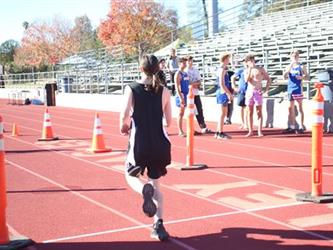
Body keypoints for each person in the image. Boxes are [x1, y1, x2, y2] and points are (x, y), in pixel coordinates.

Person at [120, 54, 171, 241]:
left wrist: (123, 126)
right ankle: (159, 226)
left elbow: (124, 114)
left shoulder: (132, 88)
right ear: (158, 69)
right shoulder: (165, 91)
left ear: (140, 68)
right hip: (159, 143)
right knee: (157, 185)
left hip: (139, 142)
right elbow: (170, 121)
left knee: (129, 175)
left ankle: (143, 190)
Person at [244, 54, 271, 137]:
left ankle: (259, 131)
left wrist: (265, 89)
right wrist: (250, 70)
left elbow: (268, 79)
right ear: (247, 62)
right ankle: (250, 131)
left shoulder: (260, 69)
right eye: (250, 61)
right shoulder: (246, 70)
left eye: (253, 60)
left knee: (259, 112)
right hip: (249, 92)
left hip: (257, 92)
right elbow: (246, 80)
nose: (252, 62)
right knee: (249, 112)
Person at [283, 49, 308, 134]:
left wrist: (302, 77)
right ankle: (292, 127)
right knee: (291, 108)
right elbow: (284, 76)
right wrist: (290, 65)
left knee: (300, 107)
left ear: (298, 57)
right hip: (290, 89)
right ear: (291, 57)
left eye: (296, 56)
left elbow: (307, 76)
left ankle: (301, 126)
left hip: (298, 89)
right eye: (293, 56)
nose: (295, 57)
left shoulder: (301, 66)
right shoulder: (288, 66)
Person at [186, 56, 212, 134]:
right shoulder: (185, 71)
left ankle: (203, 126)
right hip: (189, 94)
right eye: (188, 61)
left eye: (191, 61)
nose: (190, 62)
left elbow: (199, 82)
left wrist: (194, 84)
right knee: (191, 111)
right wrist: (194, 84)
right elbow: (188, 83)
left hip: (196, 93)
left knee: (199, 110)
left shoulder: (195, 70)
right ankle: (191, 128)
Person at [215, 53, 233, 139]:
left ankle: (218, 131)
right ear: (225, 59)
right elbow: (222, 84)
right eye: (228, 59)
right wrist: (228, 93)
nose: (229, 61)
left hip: (222, 92)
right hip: (222, 92)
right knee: (223, 113)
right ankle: (220, 132)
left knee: (223, 113)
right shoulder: (221, 70)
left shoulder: (222, 69)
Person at [231, 59, 248, 129]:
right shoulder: (241, 70)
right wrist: (234, 86)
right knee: (242, 107)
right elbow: (233, 77)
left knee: (247, 108)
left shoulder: (252, 70)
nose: (245, 63)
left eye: (246, 61)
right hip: (242, 91)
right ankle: (243, 123)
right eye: (244, 62)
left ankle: (247, 123)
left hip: (249, 91)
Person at [175, 57, 190, 137]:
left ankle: (189, 129)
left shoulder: (185, 73)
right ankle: (180, 131)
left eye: (185, 63)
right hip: (181, 94)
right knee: (181, 113)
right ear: (179, 64)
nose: (185, 64)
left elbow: (188, 83)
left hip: (186, 94)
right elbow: (177, 86)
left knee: (185, 113)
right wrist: (181, 97)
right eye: (183, 63)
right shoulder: (178, 73)